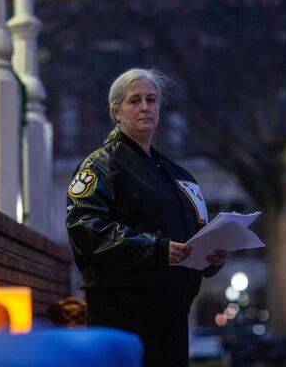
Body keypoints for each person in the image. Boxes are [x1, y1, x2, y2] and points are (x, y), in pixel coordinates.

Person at [66, 68, 230, 367]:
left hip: (173, 317)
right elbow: (87, 229)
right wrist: (156, 249)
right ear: (116, 111)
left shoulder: (180, 177)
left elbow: (195, 235)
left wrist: (211, 258)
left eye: (152, 100)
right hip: (121, 314)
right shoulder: (100, 166)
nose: (145, 107)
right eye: (135, 100)